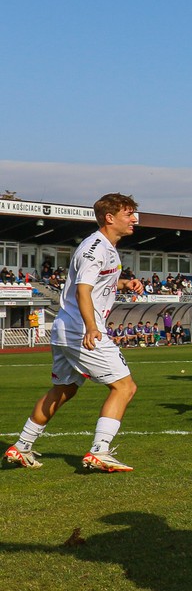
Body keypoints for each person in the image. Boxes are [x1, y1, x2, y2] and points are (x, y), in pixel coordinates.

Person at [4, 194, 144, 472]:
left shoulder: (106, 247)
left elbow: (96, 283)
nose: (134, 220)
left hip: (66, 330)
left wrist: (125, 284)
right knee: (125, 387)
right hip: (82, 330)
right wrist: (92, 327)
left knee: (64, 389)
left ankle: (21, 447)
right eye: (129, 214)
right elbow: (83, 290)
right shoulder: (95, 248)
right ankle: (100, 451)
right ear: (109, 218)